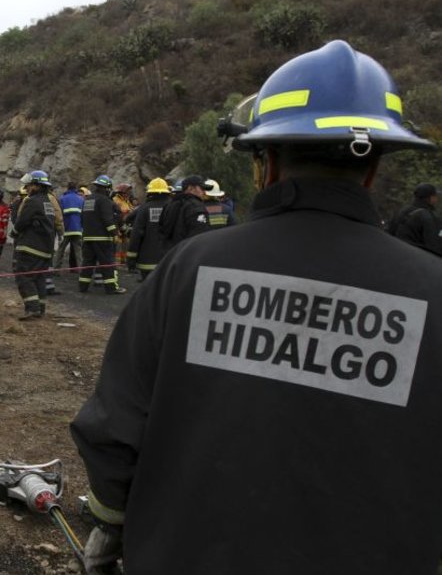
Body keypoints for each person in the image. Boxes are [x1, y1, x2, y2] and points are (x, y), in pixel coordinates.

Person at [71, 40, 441, 575]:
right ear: (373, 169)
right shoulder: (433, 292)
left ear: (265, 161)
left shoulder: (191, 269)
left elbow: (113, 428)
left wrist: (112, 524)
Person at [12, 170, 57, 319]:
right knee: (39, 278)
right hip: (45, 248)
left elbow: (22, 222)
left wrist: (14, 232)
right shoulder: (47, 202)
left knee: (23, 276)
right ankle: (40, 308)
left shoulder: (32, 201)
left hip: (31, 247)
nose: (27, 188)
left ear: (37, 185)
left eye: (30, 185)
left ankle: (32, 309)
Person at [79, 175, 123, 294]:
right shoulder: (105, 200)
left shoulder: (88, 200)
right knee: (107, 263)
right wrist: (114, 233)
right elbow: (107, 219)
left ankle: (83, 286)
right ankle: (111, 288)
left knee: (87, 263)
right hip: (102, 238)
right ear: (107, 188)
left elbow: (82, 218)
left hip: (87, 237)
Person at [126, 177, 171, 280]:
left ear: (150, 192)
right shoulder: (173, 207)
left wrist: (131, 259)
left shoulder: (144, 208)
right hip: (169, 259)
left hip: (147, 262)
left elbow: (136, 234)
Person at [157, 174, 211, 255]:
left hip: (169, 256)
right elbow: (201, 237)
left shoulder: (169, 204)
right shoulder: (197, 207)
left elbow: (161, 231)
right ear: (190, 188)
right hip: (188, 257)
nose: (204, 192)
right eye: (202, 188)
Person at [390, 183, 442, 255]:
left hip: (393, 252)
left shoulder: (401, 211)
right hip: (413, 257)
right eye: (435, 196)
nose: (436, 199)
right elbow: (434, 245)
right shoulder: (429, 216)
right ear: (430, 198)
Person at [54, 182, 84, 273]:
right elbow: (83, 215)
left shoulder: (62, 199)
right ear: (75, 188)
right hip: (77, 230)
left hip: (65, 229)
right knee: (79, 252)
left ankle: (56, 270)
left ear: (67, 188)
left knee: (60, 250)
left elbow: (59, 214)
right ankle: (81, 271)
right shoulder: (81, 199)